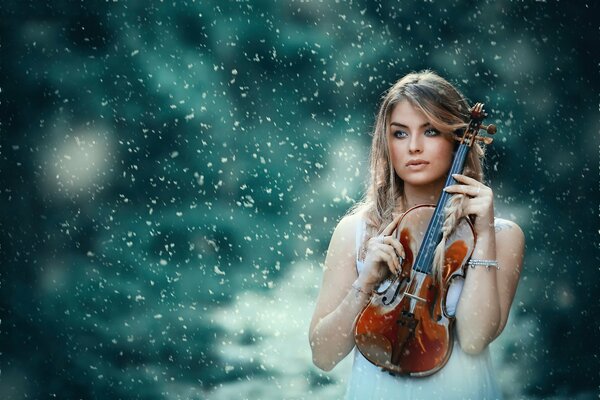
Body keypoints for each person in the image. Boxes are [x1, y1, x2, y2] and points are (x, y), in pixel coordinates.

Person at [308, 70, 525, 399]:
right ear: (387, 143)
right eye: (399, 133)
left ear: (456, 140)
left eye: (430, 131)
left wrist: (482, 238)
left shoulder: (501, 236)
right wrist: (365, 284)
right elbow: (323, 356)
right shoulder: (355, 231)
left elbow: (474, 337)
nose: (413, 147)